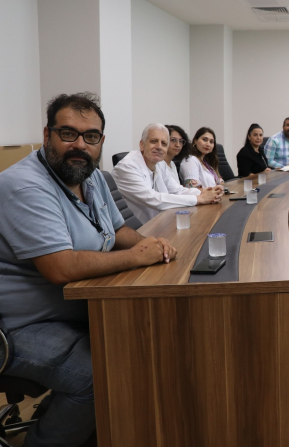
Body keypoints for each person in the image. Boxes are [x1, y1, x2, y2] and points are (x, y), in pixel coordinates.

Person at [0, 93, 177, 447]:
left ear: (101, 141)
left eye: (90, 136)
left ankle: (79, 420)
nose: (80, 145)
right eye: (68, 133)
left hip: (78, 308)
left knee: (145, 342)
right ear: (47, 134)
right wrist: (136, 257)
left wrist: (152, 246)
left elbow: (118, 230)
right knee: (101, 376)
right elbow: (61, 266)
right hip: (20, 327)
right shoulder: (24, 184)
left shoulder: (89, 176)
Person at [111, 123, 223, 224]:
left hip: (159, 222)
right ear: (142, 144)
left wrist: (204, 192)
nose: (159, 147)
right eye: (154, 141)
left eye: (164, 143)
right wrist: (199, 199)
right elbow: (154, 199)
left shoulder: (160, 164)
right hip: (137, 230)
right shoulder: (127, 166)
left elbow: (176, 190)